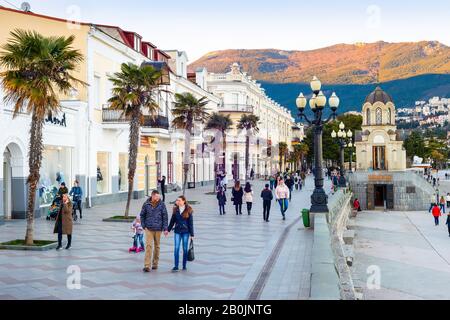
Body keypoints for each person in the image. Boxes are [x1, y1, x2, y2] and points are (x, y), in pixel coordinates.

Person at [140, 190, 169, 272]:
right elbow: (142, 215)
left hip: (158, 229)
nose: (158, 198)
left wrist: (165, 228)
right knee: (148, 246)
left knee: (157, 246)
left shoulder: (162, 204)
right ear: (152, 196)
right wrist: (143, 225)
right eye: (156, 196)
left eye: (159, 196)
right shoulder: (146, 204)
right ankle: (147, 265)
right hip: (148, 228)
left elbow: (165, 216)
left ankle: (155, 264)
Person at [168, 196, 194, 272]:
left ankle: (184, 265)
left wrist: (192, 234)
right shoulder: (175, 210)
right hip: (177, 232)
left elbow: (190, 223)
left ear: (184, 201)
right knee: (176, 248)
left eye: (179, 200)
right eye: (177, 200)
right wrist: (168, 230)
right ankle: (176, 266)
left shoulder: (188, 210)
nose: (178, 202)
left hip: (186, 232)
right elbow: (172, 221)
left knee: (185, 249)